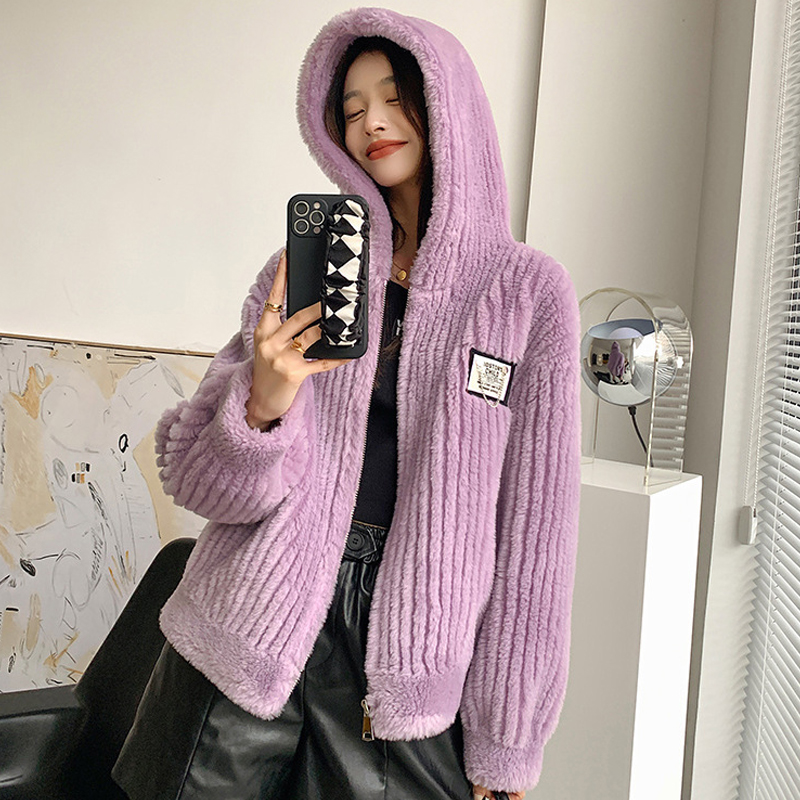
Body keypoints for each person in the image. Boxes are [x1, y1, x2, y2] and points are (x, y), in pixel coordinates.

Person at [111, 7, 581, 800]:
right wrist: (263, 403)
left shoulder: (527, 295)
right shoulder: (304, 268)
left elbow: (537, 542)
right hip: (253, 620)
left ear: (449, 107)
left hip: (407, 652)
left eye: (394, 97)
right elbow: (199, 483)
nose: (372, 123)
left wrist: (507, 740)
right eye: (353, 108)